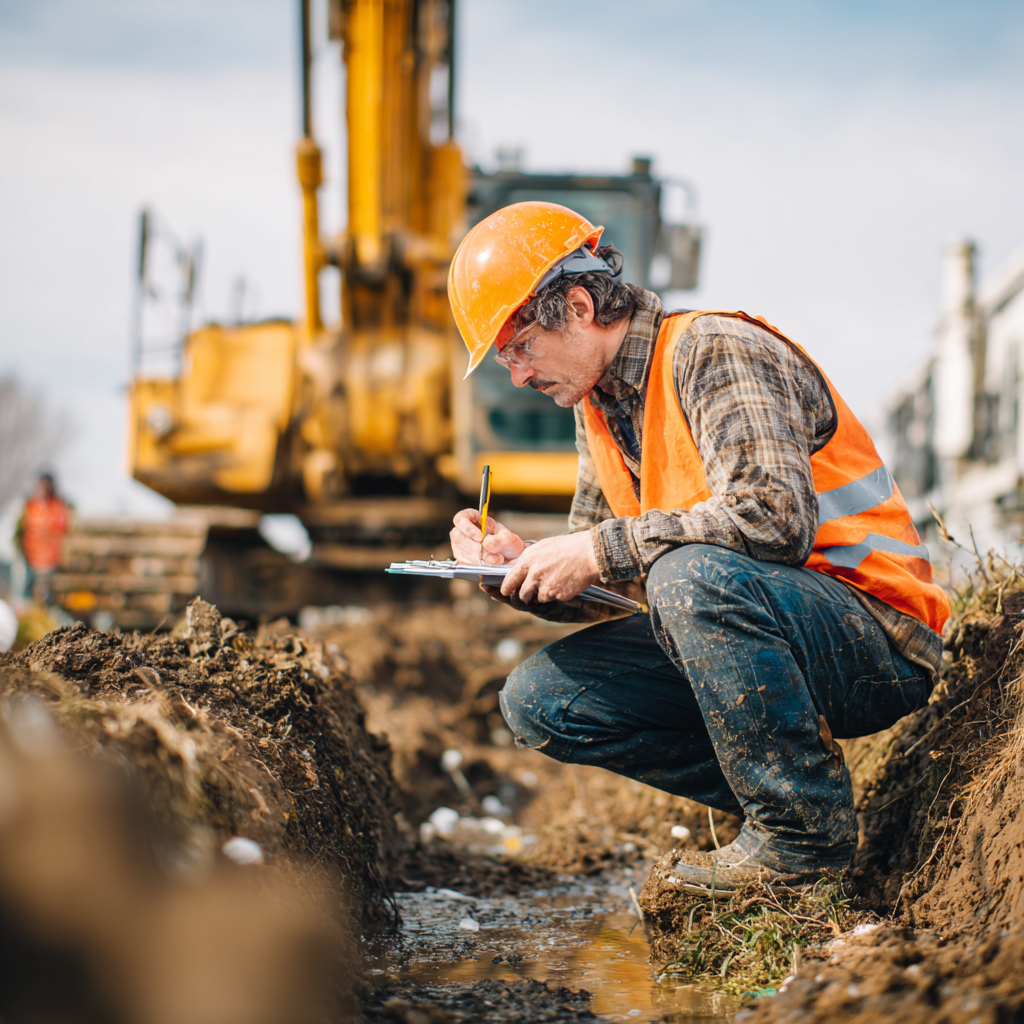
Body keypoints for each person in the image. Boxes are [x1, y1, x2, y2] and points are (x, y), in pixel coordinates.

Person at [446, 202, 950, 888]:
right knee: (540, 699)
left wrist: (597, 549)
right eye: (503, 358)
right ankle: (801, 798)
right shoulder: (598, 406)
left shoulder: (712, 351)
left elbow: (774, 518)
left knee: (688, 576)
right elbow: (614, 579)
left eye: (519, 347)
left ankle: (802, 840)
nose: (518, 376)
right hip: (772, 625)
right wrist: (519, 568)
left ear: (579, 304)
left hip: (877, 636)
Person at [16, 473, 71, 605]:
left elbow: (67, 533)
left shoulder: (61, 507)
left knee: (52, 601)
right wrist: (21, 554)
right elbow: (19, 532)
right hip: (31, 561)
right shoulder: (29, 506)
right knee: (25, 600)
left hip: (53, 563)